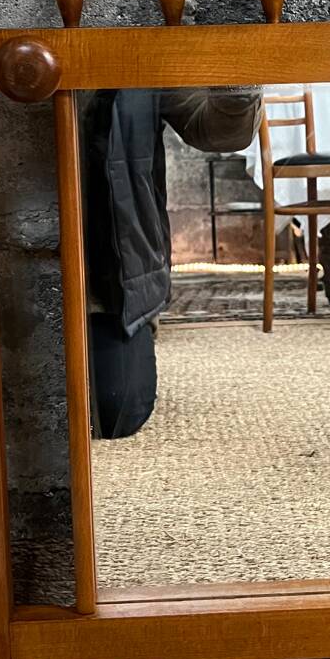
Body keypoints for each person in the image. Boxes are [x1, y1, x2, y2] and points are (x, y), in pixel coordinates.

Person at [80, 87, 261, 437]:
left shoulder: (134, 36)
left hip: (110, 275)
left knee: (114, 414)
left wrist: (239, 82)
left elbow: (213, 129)